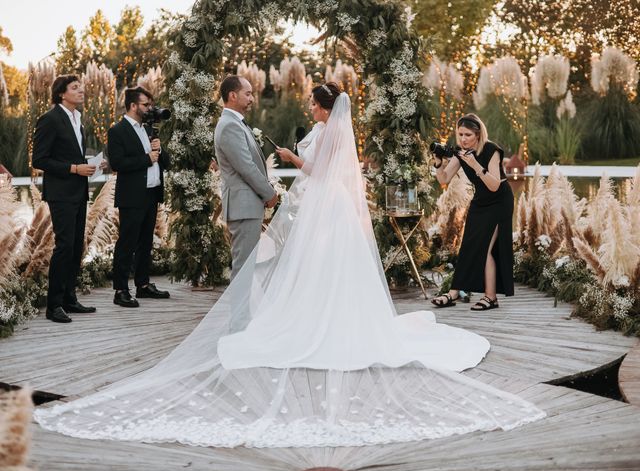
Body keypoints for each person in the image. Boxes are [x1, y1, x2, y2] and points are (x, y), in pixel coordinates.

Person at [35, 87, 543, 448]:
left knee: (309, 262)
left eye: (312, 104)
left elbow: (318, 170)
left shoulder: (324, 136)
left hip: (321, 201)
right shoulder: (332, 133)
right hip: (333, 207)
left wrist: (287, 158)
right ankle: (330, 314)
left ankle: (306, 319)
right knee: (327, 264)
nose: (309, 108)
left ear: (323, 109)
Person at [431, 114, 515, 310]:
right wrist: (438, 163)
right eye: (460, 134)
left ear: (478, 134)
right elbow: (443, 179)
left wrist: (475, 165)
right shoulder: (461, 153)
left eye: (468, 134)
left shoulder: (491, 150)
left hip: (499, 201)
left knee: (485, 248)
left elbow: (494, 185)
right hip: (480, 202)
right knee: (468, 246)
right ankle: (453, 293)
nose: (463, 139)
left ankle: (491, 298)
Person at [32, 74, 96, 324]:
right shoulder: (49, 119)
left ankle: (70, 298)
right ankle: (54, 305)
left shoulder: (77, 120)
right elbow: (39, 160)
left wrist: (90, 164)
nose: (81, 91)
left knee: (76, 245)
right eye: (75, 88)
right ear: (61, 93)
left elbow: (73, 155)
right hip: (60, 193)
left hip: (79, 191)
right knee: (64, 245)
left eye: (81, 87)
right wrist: (73, 168)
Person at [108, 86, 171, 308]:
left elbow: (166, 163)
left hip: (151, 194)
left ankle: (143, 286)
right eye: (146, 105)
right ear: (133, 105)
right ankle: (120, 290)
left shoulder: (148, 129)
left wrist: (159, 151)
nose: (150, 109)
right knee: (127, 243)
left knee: (146, 243)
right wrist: (146, 158)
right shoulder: (117, 131)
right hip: (132, 196)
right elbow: (117, 163)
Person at [214, 75, 278, 281]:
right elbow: (246, 167)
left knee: (248, 266)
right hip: (243, 206)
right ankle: (240, 314)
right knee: (244, 267)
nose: (252, 99)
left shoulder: (236, 123)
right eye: (247, 94)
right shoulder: (229, 125)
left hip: (247, 205)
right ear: (233, 95)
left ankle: (244, 312)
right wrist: (269, 193)